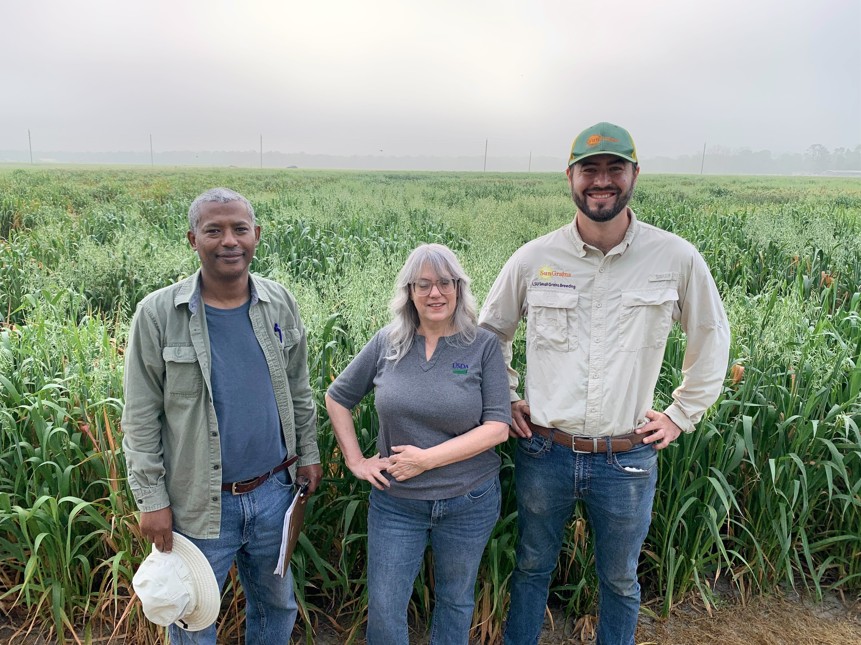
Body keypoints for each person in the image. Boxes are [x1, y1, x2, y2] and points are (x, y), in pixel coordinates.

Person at [479, 122, 730, 645]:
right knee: (531, 567)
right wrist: (505, 398)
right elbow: (489, 335)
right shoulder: (534, 259)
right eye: (589, 169)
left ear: (634, 174)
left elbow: (711, 336)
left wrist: (681, 414)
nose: (601, 180)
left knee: (619, 580)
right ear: (570, 177)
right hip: (544, 450)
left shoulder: (675, 258)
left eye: (615, 168)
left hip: (627, 456)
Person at [122, 187, 322, 644]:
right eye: (214, 231)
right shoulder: (158, 314)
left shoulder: (279, 302)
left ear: (257, 235)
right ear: (193, 239)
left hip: (274, 493)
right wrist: (151, 500)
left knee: (276, 606)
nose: (229, 241)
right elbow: (139, 417)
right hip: (199, 502)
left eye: (239, 229)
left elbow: (299, 387)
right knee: (193, 620)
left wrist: (308, 454)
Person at [325, 243, 511, 645]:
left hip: (469, 501)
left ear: (459, 288)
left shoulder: (481, 345)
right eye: (423, 284)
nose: (435, 293)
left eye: (444, 283)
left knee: (456, 601)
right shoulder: (387, 343)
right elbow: (337, 398)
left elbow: (498, 427)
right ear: (409, 291)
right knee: (386, 607)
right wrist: (356, 461)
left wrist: (426, 460)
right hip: (397, 503)